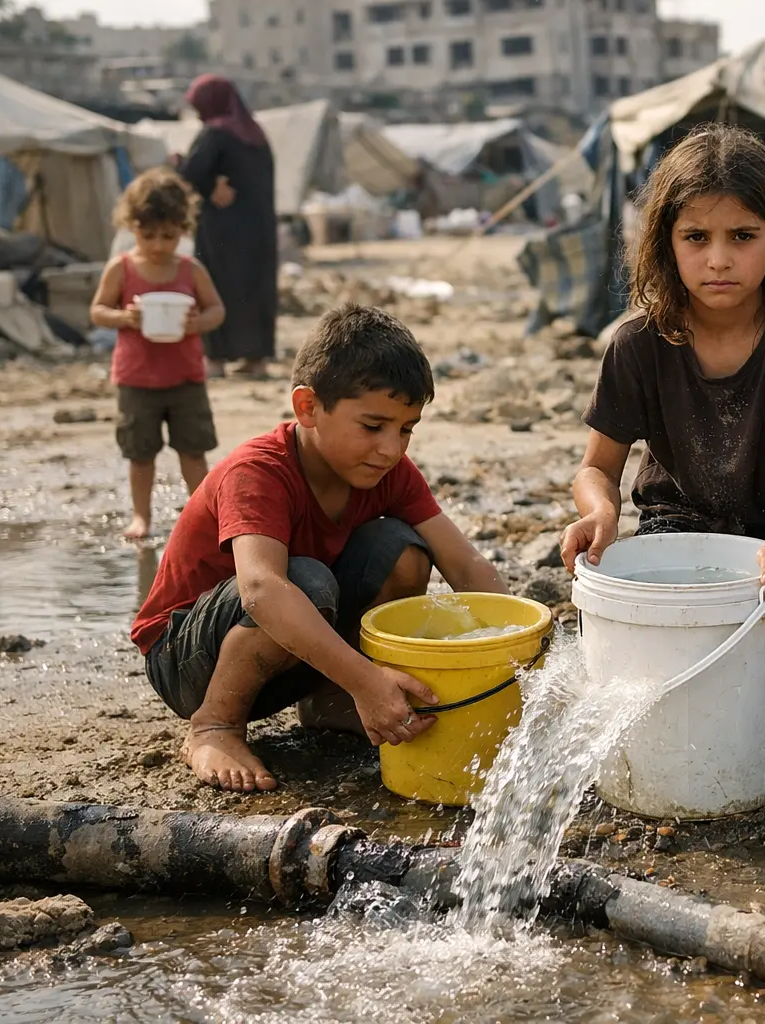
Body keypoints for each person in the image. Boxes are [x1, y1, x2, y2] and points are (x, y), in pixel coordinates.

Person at [559, 124, 765, 807]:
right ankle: (734, 711)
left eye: (741, 237)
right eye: (696, 238)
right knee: (665, 601)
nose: (718, 259)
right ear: (665, 243)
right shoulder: (637, 346)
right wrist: (601, 512)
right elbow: (596, 469)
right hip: (686, 513)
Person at [130, 305, 508, 792]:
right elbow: (262, 590)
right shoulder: (259, 470)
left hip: (293, 652)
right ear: (307, 407)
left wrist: (529, 650)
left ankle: (329, 700)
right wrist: (370, 681)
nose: (391, 449)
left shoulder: (387, 472)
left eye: (406, 429)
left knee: (402, 547)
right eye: (373, 426)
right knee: (302, 581)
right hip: (185, 659)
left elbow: (464, 562)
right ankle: (215, 725)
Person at [90, 167, 226, 541]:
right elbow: (97, 310)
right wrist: (124, 317)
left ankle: (202, 515)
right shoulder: (122, 268)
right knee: (140, 454)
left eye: (169, 236)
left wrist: (198, 322)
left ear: (183, 229)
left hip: (185, 378)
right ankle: (141, 517)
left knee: (193, 451)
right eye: (148, 235)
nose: (158, 245)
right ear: (131, 226)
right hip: (137, 380)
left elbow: (217, 310)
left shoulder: (190, 269)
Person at [179, 74, 277, 381]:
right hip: (258, 230)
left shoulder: (214, 133)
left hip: (221, 232)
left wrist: (202, 180)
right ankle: (256, 359)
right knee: (254, 291)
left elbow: (191, 172)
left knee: (214, 288)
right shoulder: (256, 135)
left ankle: (217, 359)